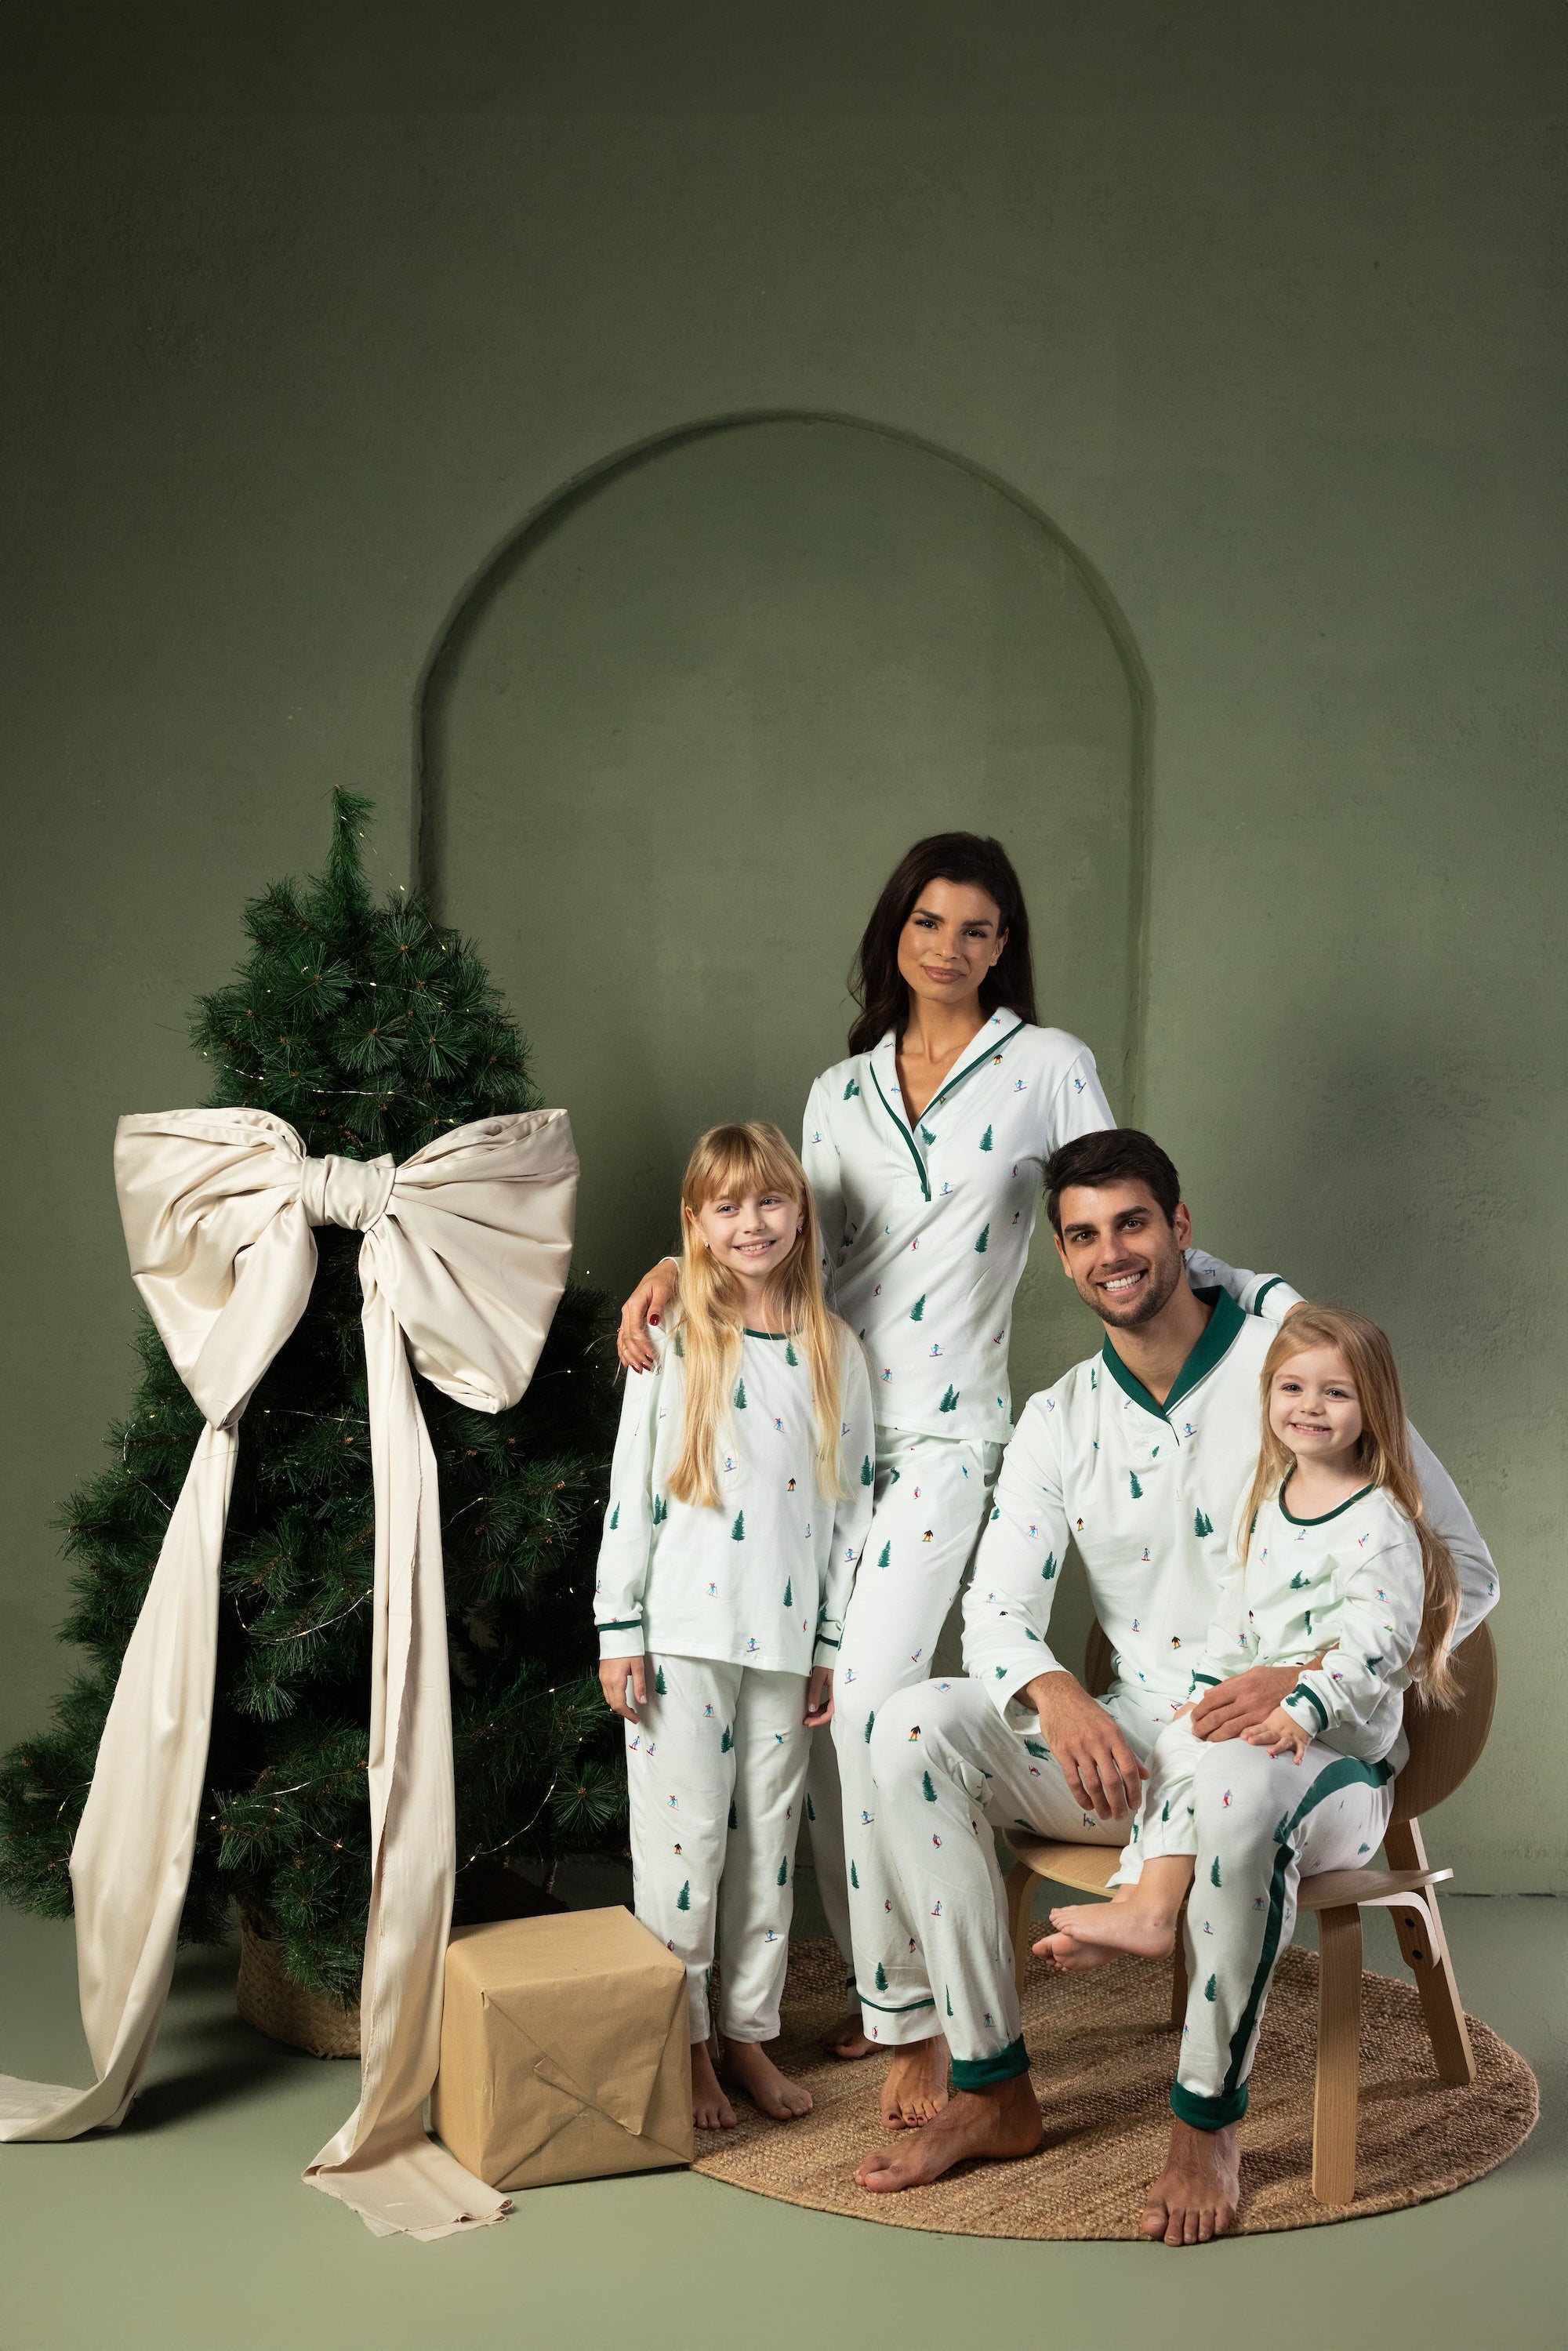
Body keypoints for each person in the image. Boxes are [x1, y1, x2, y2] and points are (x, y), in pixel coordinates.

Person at [617, 835, 1288, 2106]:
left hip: (943, 1431)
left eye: (978, 927)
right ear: (898, 930)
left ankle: (918, 2013)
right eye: (930, 920)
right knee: (826, 1716)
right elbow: (776, 1236)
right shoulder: (839, 1089)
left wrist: (1264, 1301)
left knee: (875, 1687)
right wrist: (672, 1265)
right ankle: (889, 1989)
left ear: (1003, 944)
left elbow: (1119, 1203)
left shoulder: (1047, 1066)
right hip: (816, 1419)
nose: (950, 946)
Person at [851, 1129, 1497, 2243]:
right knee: (909, 1726)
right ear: (1062, 1254)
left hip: (1305, 1756)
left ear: (1180, 1227)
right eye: (1083, 1234)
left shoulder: (1292, 1368)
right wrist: (1057, 1692)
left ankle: (1205, 2123)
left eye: (1133, 1222)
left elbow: (1464, 1574)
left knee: (1239, 1784)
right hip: (1138, 1746)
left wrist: (1301, 1673)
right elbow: (995, 1607)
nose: (1111, 1252)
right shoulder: (1060, 1417)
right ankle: (991, 2084)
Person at [1038, 1305, 1461, 2159]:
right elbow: (1237, 1623)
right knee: (1184, 1741)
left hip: (1341, 1755)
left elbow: (1376, 1648)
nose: (1309, 1407)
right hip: (1260, 1728)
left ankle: (1200, 2087)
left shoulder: (1379, 1521)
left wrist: (1300, 1707)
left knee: (1231, 1768)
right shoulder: (1269, 1501)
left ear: (1372, 1405)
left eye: (1335, 1392)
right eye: (1291, 1387)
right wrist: (1208, 1698)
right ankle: (1147, 1903)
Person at [596, 1122, 874, 2131]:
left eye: (769, 1201)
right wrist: (617, 1628)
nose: (751, 1223)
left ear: (798, 1213)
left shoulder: (835, 1350)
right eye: (727, 1206)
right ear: (697, 1222)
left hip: (786, 1641)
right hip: (680, 1636)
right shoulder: (670, 1334)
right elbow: (630, 1488)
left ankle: (748, 2032)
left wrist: (831, 1644)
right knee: (683, 1848)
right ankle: (686, 2040)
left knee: (767, 1849)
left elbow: (852, 1512)